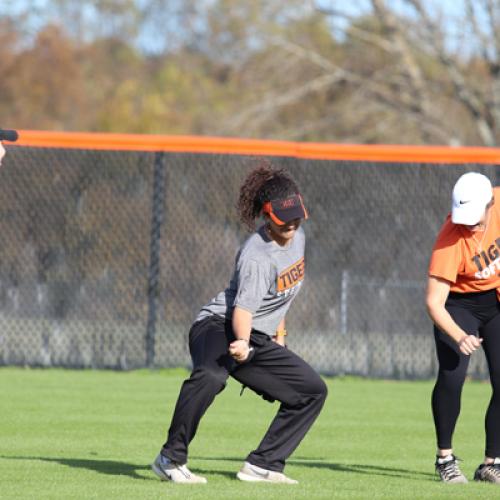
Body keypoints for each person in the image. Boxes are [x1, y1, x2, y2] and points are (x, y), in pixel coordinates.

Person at [151, 163, 327, 484]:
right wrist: (243, 344)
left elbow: (280, 297)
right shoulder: (257, 255)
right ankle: (170, 458)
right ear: (266, 215)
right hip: (218, 325)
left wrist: (280, 334)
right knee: (211, 376)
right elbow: (243, 311)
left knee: (312, 391)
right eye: (283, 218)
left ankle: (264, 464)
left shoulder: (298, 237)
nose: (292, 223)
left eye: (296, 215)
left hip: (256, 335)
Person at [426, 171, 500, 484]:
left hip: (494, 302)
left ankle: (492, 463)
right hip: (458, 306)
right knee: (453, 377)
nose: (467, 222)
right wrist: (459, 335)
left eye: (474, 216)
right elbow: (434, 302)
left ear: (490, 204)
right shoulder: (450, 238)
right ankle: (445, 459)